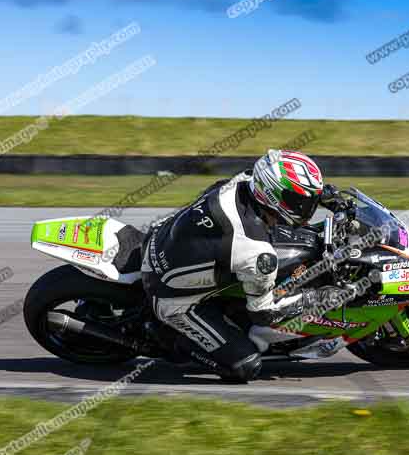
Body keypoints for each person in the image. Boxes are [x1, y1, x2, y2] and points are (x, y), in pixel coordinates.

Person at [141, 149, 342, 382]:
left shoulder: (243, 181)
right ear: (274, 195)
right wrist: (317, 299)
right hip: (169, 296)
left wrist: (322, 195)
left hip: (162, 236)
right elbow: (264, 312)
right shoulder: (256, 251)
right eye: (301, 201)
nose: (307, 208)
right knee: (245, 366)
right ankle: (173, 339)